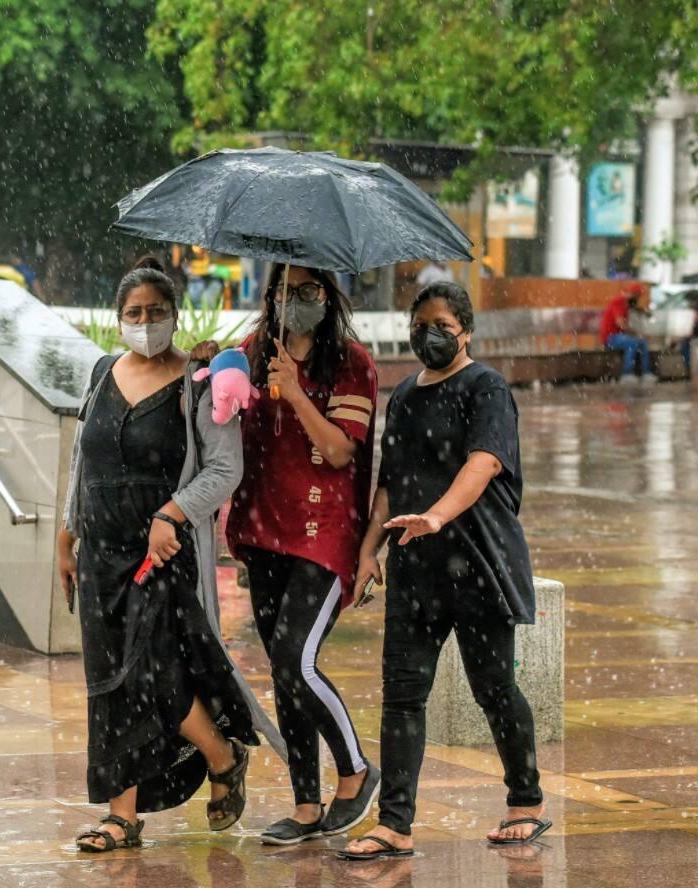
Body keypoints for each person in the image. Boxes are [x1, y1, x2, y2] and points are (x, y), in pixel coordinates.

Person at [341, 281, 547, 861]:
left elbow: (484, 462)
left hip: (478, 563)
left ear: (466, 332)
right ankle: (394, 825)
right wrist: (369, 549)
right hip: (415, 571)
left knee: (494, 689)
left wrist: (437, 516)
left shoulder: (487, 388)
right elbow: (388, 480)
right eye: (421, 323)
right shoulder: (403, 396)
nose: (430, 334)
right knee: (402, 696)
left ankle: (525, 803)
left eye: (442, 325)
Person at [58, 257, 259, 852]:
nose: (144, 322)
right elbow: (81, 464)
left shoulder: (198, 381)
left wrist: (172, 514)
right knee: (107, 680)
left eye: (155, 312)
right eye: (133, 313)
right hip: (100, 551)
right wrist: (66, 538)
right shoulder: (100, 373)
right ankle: (123, 815)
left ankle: (222, 755)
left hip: (160, 551)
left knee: (153, 676)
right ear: (118, 318)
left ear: (173, 314)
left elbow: (226, 468)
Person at [194, 264, 381, 846]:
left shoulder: (352, 365)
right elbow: (222, 411)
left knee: (297, 661)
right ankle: (305, 806)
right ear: (269, 295)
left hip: (323, 534)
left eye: (309, 291)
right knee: (282, 668)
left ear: (329, 297)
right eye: (285, 290)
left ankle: (354, 771)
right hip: (262, 529)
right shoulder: (253, 351)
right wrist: (209, 368)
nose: (295, 301)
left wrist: (297, 392)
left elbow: (339, 450)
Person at [600, 282, 655, 384]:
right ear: (634, 295)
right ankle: (626, 374)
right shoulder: (619, 301)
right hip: (610, 337)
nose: (638, 299)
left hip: (619, 336)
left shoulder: (625, 303)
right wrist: (635, 334)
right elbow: (621, 324)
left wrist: (645, 313)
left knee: (642, 342)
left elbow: (637, 309)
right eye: (638, 296)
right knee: (633, 342)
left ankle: (646, 373)